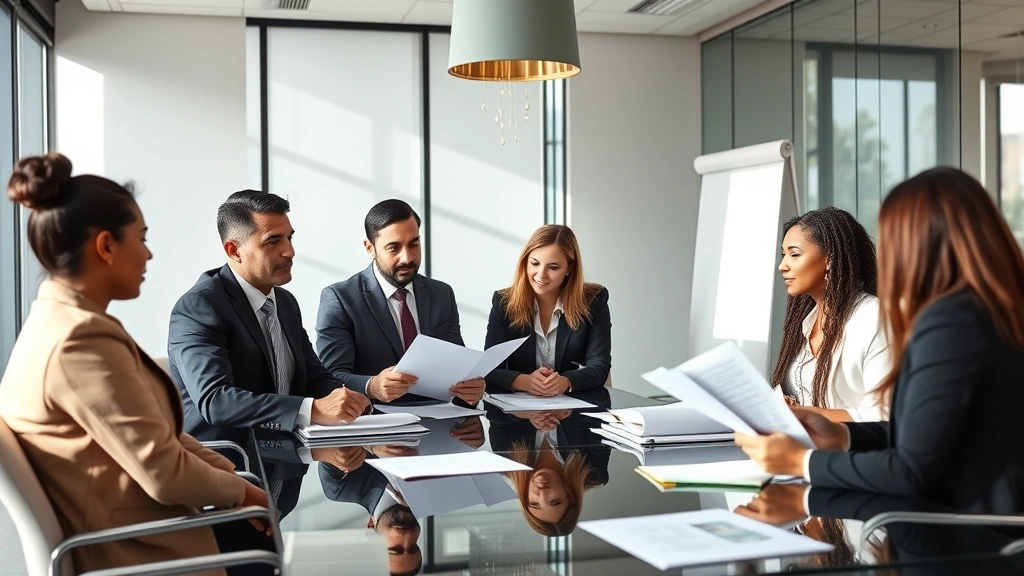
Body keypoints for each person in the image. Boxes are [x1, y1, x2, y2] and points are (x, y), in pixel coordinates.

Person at [0, 153, 267, 575]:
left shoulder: (62, 322)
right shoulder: (78, 341)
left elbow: (165, 439)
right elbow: (164, 472)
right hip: (145, 554)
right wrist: (244, 493)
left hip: (145, 535)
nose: (148, 255)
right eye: (141, 238)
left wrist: (238, 483)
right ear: (106, 246)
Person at [736, 167, 1024, 514]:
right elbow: (924, 436)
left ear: (916, 243)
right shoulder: (992, 312)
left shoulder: (950, 325)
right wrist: (842, 437)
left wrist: (801, 462)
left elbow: (909, 470)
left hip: (965, 537)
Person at [168, 190, 370, 440]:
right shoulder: (199, 306)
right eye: (273, 241)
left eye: (289, 238)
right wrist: (313, 409)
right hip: (226, 462)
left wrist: (350, 402)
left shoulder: (284, 302)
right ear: (233, 251)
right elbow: (216, 401)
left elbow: (314, 376)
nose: (290, 251)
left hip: (288, 456)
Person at [316, 199, 483, 405]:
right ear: (370, 248)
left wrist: (470, 390)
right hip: (372, 425)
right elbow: (330, 377)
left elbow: (457, 368)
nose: (407, 257)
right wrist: (372, 386)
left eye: (414, 243)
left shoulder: (442, 294)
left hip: (441, 420)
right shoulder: (340, 299)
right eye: (393, 248)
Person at [773, 207, 890, 422]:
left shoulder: (875, 319)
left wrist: (807, 414)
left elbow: (886, 414)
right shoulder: (807, 321)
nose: (783, 265)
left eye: (794, 254)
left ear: (830, 259)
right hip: (808, 449)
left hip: (853, 450)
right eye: (784, 255)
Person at [484, 225, 611, 396]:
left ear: (569, 269)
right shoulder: (504, 302)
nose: (541, 274)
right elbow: (489, 368)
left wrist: (565, 382)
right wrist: (525, 381)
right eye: (534, 263)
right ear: (525, 262)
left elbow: (599, 365)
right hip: (517, 413)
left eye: (553, 267)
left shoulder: (594, 299)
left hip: (574, 410)